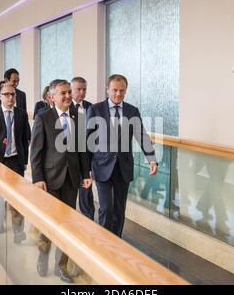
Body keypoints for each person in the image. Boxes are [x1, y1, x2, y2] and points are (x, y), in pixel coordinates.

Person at [30, 79, 91, 283]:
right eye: (62, 93)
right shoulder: (43, 117)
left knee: (68, 225)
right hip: (49, 179)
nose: (67, 96)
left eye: (68, 93)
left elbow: (82, 150)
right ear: (52, 96)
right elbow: (36, 152)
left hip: (72, 180)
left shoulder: (78, 117)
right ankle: (42, 255)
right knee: (49, 223)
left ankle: (61, 265)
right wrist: (37, 178)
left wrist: (85, 174)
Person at [86, 74, 158, 237]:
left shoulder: (132, 111)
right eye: (114, 90)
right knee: (106, 207)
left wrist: (152, 159)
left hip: (123, 167)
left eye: (122, 91)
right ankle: (104, 244)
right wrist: (86, 169)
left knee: (119, 209)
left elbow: (141, 135)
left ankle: (116, 243)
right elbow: (87, 141)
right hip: (101, 166)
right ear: (107, 89)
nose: (118, 94)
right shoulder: (95, 109)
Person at [0, 85, 31, 244]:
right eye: (6, 94)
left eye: (13, 94)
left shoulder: (21, 114)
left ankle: (18, 231)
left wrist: (24, 161)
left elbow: (25, 139)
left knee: (17, 197)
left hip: (15, 161)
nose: (10, 97)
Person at [69, 77, 95, 221]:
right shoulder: (65, 108)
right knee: (69, 196)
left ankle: (88, 223)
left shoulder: (92, 108)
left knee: (86, 194)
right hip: (70, 158)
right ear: (71, 90)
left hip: (87, 158)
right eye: (78, 89)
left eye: (84, 89)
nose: (82, 92)